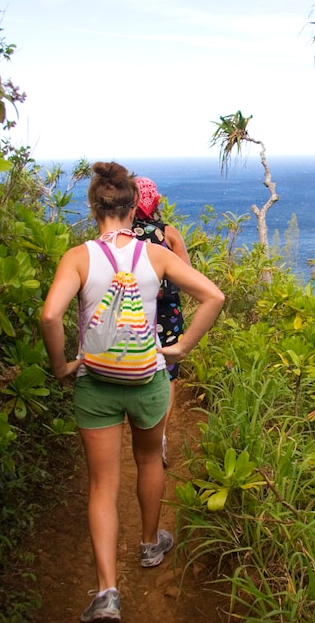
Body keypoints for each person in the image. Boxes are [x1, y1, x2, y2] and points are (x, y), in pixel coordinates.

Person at [41, 161, 225, 623]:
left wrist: (62, 365)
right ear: (133, 208)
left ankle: (107, 593)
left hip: (95, 384)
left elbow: (49, 317)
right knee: (147, 460)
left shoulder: (78, 257)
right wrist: (179, 347)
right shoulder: (156, 254)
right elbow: (214, 297)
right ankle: (149, 545)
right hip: (147, 381)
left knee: (103, 484)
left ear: (94, 207)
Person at [132, 176, 189, 467]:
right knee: (167, 375)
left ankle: (137, 429)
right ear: (155, 201)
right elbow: (187, 275)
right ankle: (160, 436)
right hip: (167, 314)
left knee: (135, 367)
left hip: (130, 313)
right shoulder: (168, 234)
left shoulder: (119, 235)